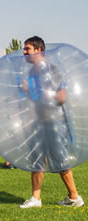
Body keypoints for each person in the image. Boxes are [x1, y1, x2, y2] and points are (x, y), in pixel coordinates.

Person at [19, 36, 84, 208]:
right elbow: (35, 98)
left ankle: (74, 196)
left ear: (39, 50)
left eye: (28, 49)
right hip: (38, 121)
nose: (24, 52)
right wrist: (27, 91)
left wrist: (54, 95)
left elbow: (61, 97)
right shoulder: (32, 72)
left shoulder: (50, 70)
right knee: (37, 159)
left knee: (59, 160)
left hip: (53, 121)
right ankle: (36, 198)